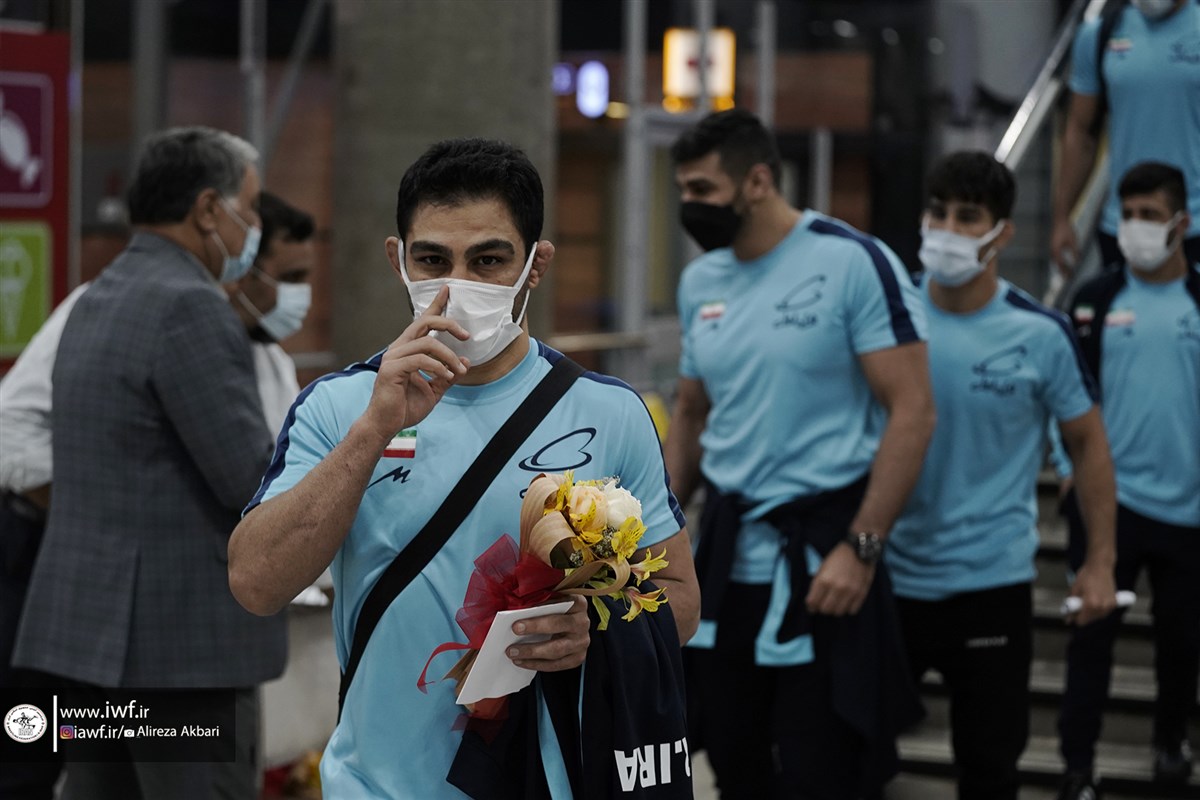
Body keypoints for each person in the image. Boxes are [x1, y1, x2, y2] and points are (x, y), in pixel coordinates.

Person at [227, 137, 701, 798]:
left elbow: (679, 599)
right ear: (397, 260)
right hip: (377, 785)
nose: (458, 286)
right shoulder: (338, 408)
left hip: (549, 781)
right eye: (432, 259)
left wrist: (594, 627)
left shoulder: (609, 412)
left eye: (488, 260)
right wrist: (375, 429)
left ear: (535, 266)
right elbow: (255, 584)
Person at [662, 108, 935, 799]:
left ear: (757, 181)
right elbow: (691, 413)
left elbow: (913, 410)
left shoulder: (851, 261)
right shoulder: (702, 282)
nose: (690, 205)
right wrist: (647, 539)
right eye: (684, 190)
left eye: (702, 189)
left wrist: (861, 550)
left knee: (826, 772)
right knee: (732, 764)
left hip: (826, 561)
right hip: (727, 565)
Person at [11, 126, 285, 800]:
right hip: (181, 656)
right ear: (208, 209)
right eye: (250, 208)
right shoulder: (190, 305)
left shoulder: (98, 296)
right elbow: (248, 479)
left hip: (90, 640)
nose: (255, 227)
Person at [885, 151, 1118, 800]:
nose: (948, 231)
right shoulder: (888, 314)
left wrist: (1100, 562)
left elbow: (1088, 443)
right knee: (854, 762)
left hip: (990, 585)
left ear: (1002, 233)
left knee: (990, 773)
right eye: (938, 213)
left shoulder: (1041, 334)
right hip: (888, 577)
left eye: (968, 217)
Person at [1056, 161, 1200, 799]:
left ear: (1181, 224)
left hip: (1188, 511)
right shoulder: (1094, 299)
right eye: (1129, 214)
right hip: (1106, 507)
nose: (1136, 227)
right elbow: (1064, 398)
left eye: (1150, 215)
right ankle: (1076, 769)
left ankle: (1171, 746)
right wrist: (1067, 472)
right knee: (1089, 643)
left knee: (1181, 644)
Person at [0, 284, 87, 800]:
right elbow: (8, 429)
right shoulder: (99, 304)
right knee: (25, 754)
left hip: (79, 557)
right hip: (31, 545)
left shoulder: (258, 347)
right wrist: (89, 516)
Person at [1050, 0, 1200, 276]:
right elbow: (1081, 132)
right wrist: (1062, 218)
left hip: (1195, 223)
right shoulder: (1098, 35)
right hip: (1125, 224)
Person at [227, 190, 317, 435]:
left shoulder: (275, 362)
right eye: (290, 277)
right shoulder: (203, 358)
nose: (301, 292)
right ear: (243, 271)